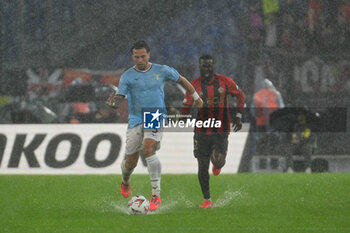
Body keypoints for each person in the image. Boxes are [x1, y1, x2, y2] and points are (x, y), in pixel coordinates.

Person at [106, 40, 203, 211]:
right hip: (136, 118)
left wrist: (196, 98)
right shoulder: (127, 76)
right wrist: (114, 104)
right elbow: (120, 97)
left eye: (143, 56)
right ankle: (125, 181)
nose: (140, 60)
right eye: (137, 57)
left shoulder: (162, 70)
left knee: (149, 148)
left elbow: (182, 80)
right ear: (133, 57)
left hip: (155, 114)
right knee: (130, 163)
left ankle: (156, 194)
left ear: (149, 55)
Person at [181, 54, 245, 208]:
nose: (207, 68)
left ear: (214, 65)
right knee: (202, 166)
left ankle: (217, 164)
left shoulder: (225, 81)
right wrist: (183, 117)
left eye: (209, 65)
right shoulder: (194, 85)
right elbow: (186, 106)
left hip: (220, 129)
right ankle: (207, 199)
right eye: (204, 65)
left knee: (218, 160)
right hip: (201, 131)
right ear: (200, 66)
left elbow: (241, 96)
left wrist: (238, 116)